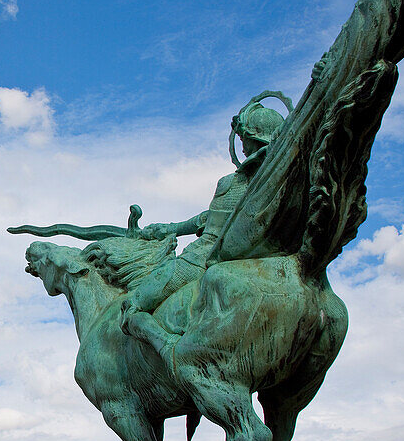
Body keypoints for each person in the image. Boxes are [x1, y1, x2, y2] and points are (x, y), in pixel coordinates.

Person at [120, 102, 286, 336]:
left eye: (242, 139)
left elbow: (211, 225)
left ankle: (167, 351)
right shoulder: (281, 182)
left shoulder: (231, 183)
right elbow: (208, 218)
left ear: (252, 137)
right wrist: (170, 228)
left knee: (133, 303)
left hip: (202, 259)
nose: (242, 145)